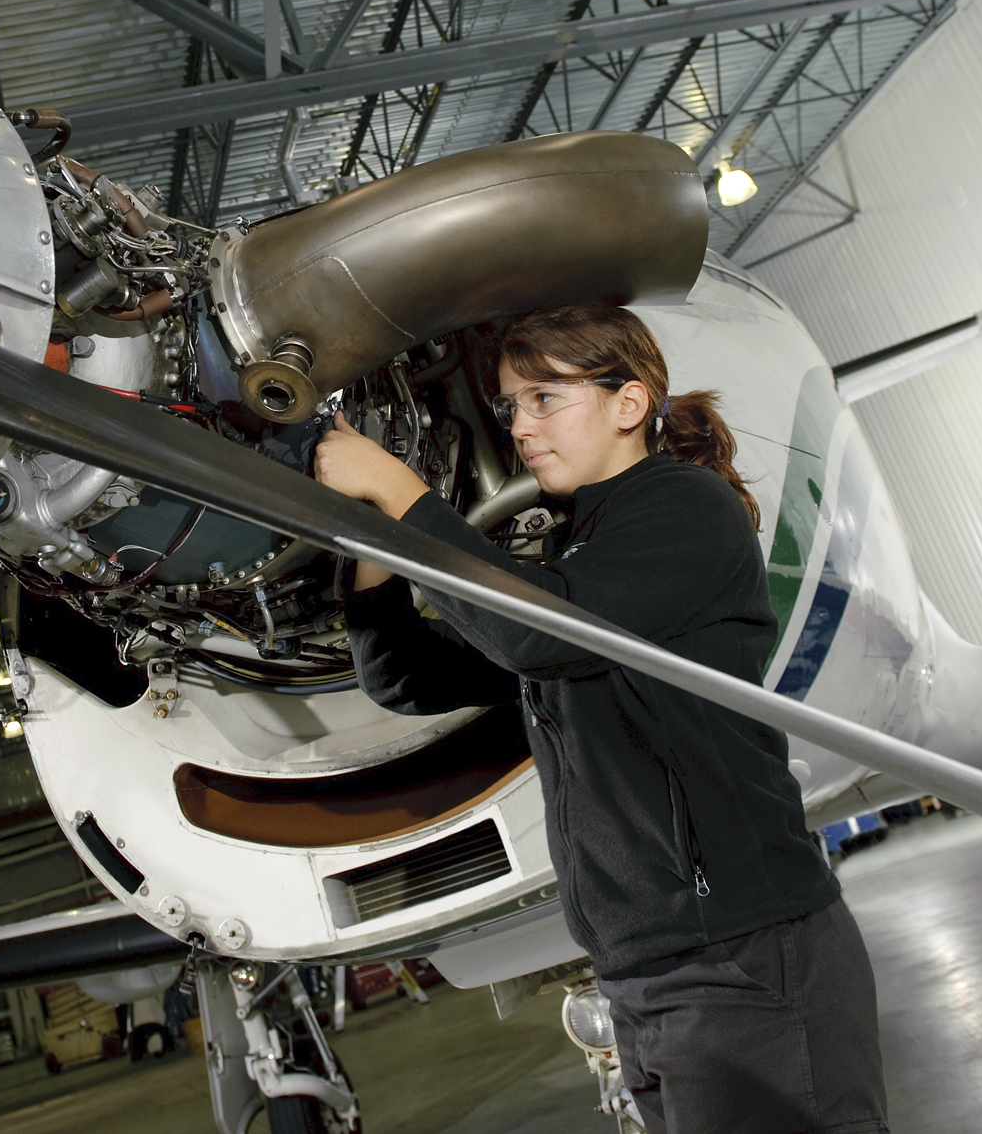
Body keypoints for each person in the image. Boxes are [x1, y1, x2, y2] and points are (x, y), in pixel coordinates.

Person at [313, 302, 887, 1134]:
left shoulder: (685, 510)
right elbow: (405, 678)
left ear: (629, 404)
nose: (519, 425)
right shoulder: (580, 558)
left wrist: (403, 494)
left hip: (740, 953)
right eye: (511, 405)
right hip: (644, 968)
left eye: (546, 398)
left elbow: (530, 630)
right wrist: (373, 546)